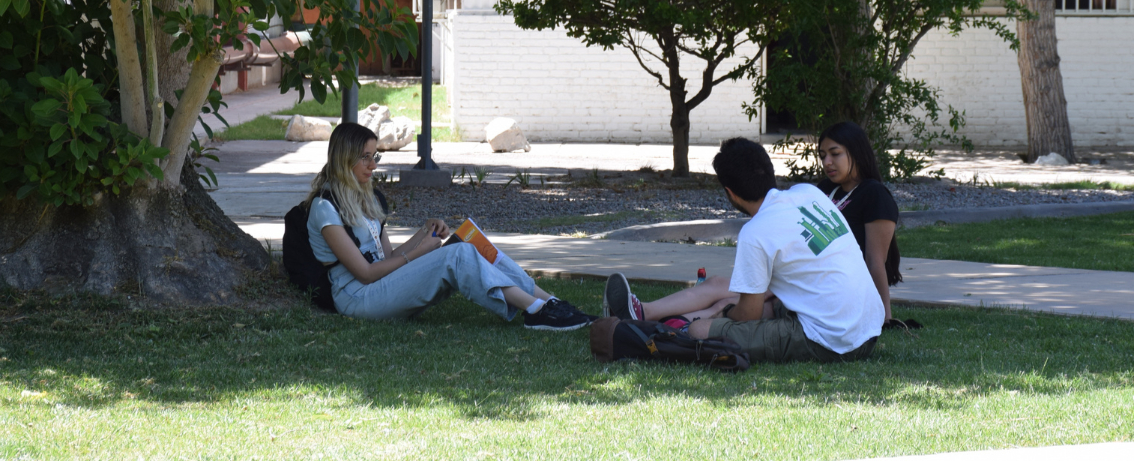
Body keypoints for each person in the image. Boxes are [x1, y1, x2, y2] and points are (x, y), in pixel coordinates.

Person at [611, 137, 884, 364]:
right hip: (867, 325)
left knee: (701, 329)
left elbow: (747, 315)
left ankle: (674, 328)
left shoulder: (755, 233)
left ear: (731, 193)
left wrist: (723, 313)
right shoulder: (809, 194)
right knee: (720, 285)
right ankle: (643, 311)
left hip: (835, 340)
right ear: (769, 170)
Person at [306, 122, 594, 330]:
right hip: (357, 299)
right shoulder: (325, 208)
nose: (373, 165)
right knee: (458, 256)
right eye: (365, 157)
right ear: (345, 159)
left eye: (375, 156)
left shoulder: (367, 199)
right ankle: (535, 311)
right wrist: (421, 253)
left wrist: (423, 233)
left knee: (470, 241)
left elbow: (389, 259)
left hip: (381, 287)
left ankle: (553, 303)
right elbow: (366, 273)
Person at [814, 121, 903, 323]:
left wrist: (884, 318)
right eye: (822, 156)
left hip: (845, 291)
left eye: (835, 154)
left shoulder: (874, 195)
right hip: (814, 282)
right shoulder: (824, 189)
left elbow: (875, 260)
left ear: (856, 152)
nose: (827, 161)